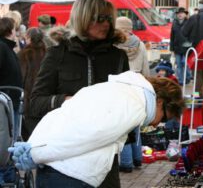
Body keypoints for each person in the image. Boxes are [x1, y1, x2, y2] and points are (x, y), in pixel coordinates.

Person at [8, 71, 185, 188]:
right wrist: (37, 153)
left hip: (58, 170)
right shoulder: (135, 106)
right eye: (164, 118)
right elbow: (88, 136)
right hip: (72, 176)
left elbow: (59, 116)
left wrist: (35, 148)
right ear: (160, 102)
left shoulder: (115, 90)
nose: (156, 124)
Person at [27, 0, 130, 188]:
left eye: (108, 18)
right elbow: (35, 103)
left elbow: (127, 104)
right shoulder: (58, 54)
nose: (106, 24)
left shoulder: (118, 57)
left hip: (104, 163)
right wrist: (67, 100)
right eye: (99, 18)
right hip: (63, 162)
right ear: (83, 18)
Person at [115, 16, 150, 173]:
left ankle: (126, 162)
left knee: (123, 126)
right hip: (137, 86)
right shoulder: (140, 44)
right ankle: (137, 158)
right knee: (135, 124)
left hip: (120, 86)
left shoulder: (115, 45)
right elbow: (146, 68)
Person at [18, 27, 46, 140]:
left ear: (28, 38)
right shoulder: (48, 52)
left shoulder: (24, 54)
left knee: (31, 134)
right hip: (45, 98)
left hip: (30, 99)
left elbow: (20, 77)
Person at [0, 17, 23, 138]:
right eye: (15, 29)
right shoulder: (2, 47)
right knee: (7, 139)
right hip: (5, 102)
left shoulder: (7, 47)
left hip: (11, 100)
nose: (16, 32)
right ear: (9, 30)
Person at [170, 7, 192, 86]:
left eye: (182, 13)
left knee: (185, 63)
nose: (180, 14)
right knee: (179, 65)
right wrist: (171, 48)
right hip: (177, 48)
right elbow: (172, 36)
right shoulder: (174, 23)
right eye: (178, 13)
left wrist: (190, 45)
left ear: (185, 14)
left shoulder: (189, 22)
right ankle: (181, 81)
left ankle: (188, 77)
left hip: (186, 48)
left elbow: (191, 35)